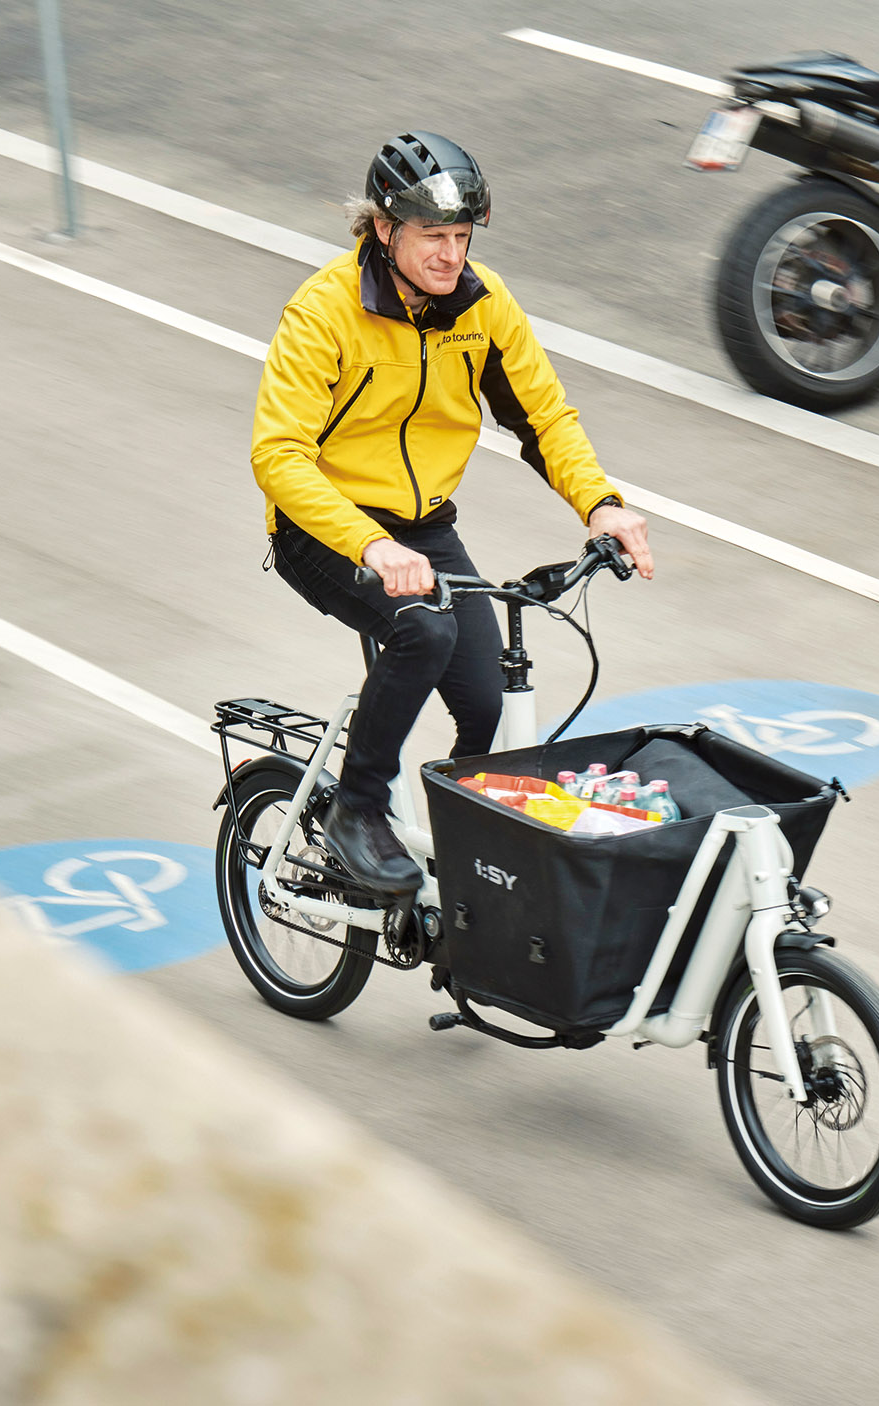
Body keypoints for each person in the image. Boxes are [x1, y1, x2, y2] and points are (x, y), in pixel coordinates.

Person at [250, 131, 654, 896]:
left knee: (491, 716)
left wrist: (602, 505)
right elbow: (278, 457)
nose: (450, 255)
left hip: (425, 528)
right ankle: (357, 811)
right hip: (324, 526)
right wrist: (369, 546)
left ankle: (469, 879)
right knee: (422, 627)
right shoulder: (325, 310)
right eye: (433, 235)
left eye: (461, 236)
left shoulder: (483, 304)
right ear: (382, 228)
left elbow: (545, 419)